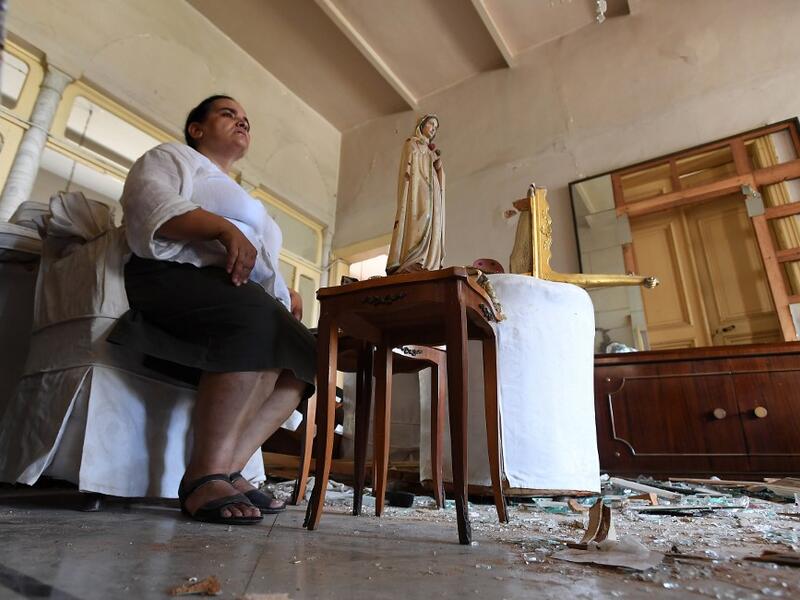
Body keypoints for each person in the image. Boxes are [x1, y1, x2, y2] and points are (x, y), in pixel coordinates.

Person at [108, 95, 315, 525]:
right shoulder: (174, 157)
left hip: (234, 290)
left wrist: (285, 290)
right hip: (169, 276)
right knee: (255, 317)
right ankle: (201, 475)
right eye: (228, 114)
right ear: (196, 129)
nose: (242, 122)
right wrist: (219, 228)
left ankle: (227, 469)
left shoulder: (248, 197)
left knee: (306, 357)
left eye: (246, 119)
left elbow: (260, 262)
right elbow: (149, 204)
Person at [386, 114, 445, 275]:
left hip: (433, 191)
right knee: (419, 218)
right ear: (421, 125)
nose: (433, 128)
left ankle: (428, 261)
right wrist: (427, 157)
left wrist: (438, 167)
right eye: (431, 124)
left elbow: (436, 171)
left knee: (433, 220)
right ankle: (413, 259)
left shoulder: (430, 151)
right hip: (419, 189)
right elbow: (411, 164)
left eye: (435, 127)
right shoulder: (412, 143)